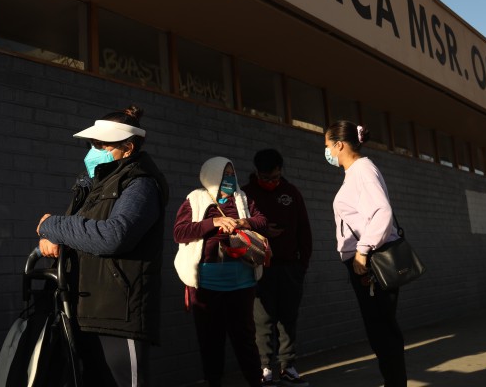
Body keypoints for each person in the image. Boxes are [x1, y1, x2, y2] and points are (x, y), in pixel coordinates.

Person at [36, 105, 168, 387]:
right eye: (91, 144)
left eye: (100, 145)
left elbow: (114, 235)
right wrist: (54, 238)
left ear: (128, 148)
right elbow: (79, 231)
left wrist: (52, 225)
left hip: (119, 313)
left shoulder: (140, 184)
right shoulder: (93, 184)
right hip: (84, 308)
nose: (92, 151)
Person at [173, 156, 269, 387]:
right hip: (207, 282)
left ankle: (255, 381)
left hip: (242, 280)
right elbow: (180, 232)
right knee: (210, 339)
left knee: (245, 338)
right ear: (210, 175)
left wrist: (243, 223)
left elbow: (262, 221)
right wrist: (214, 222)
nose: (229, 178)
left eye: (231, 173)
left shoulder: (242, 198)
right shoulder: (195, 199)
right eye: (223, 174)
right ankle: (214, 381)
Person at [324, 120, 407, 387]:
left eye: (327, 146)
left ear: (339, 145)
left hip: (370, 261)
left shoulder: (362, 170)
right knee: (379, 329)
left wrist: (362, 251)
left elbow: (382, 212)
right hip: (366, 260)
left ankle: (395, 383)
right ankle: (393, 381)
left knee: (382, 330)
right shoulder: (355, 172)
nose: (327, 152)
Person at [242, 149, 312, 386]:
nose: (271, 183)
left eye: (274, 178)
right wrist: (263, 231)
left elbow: (304, 230)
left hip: (289, 267)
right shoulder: (246, 194)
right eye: (266, 178)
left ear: (281, 171)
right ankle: (265, 368)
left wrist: (302, 265)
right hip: (259, 268)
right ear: (257, 173)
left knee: (288, 319)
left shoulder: (291, 193)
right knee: (262, 320)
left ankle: (288, 367)